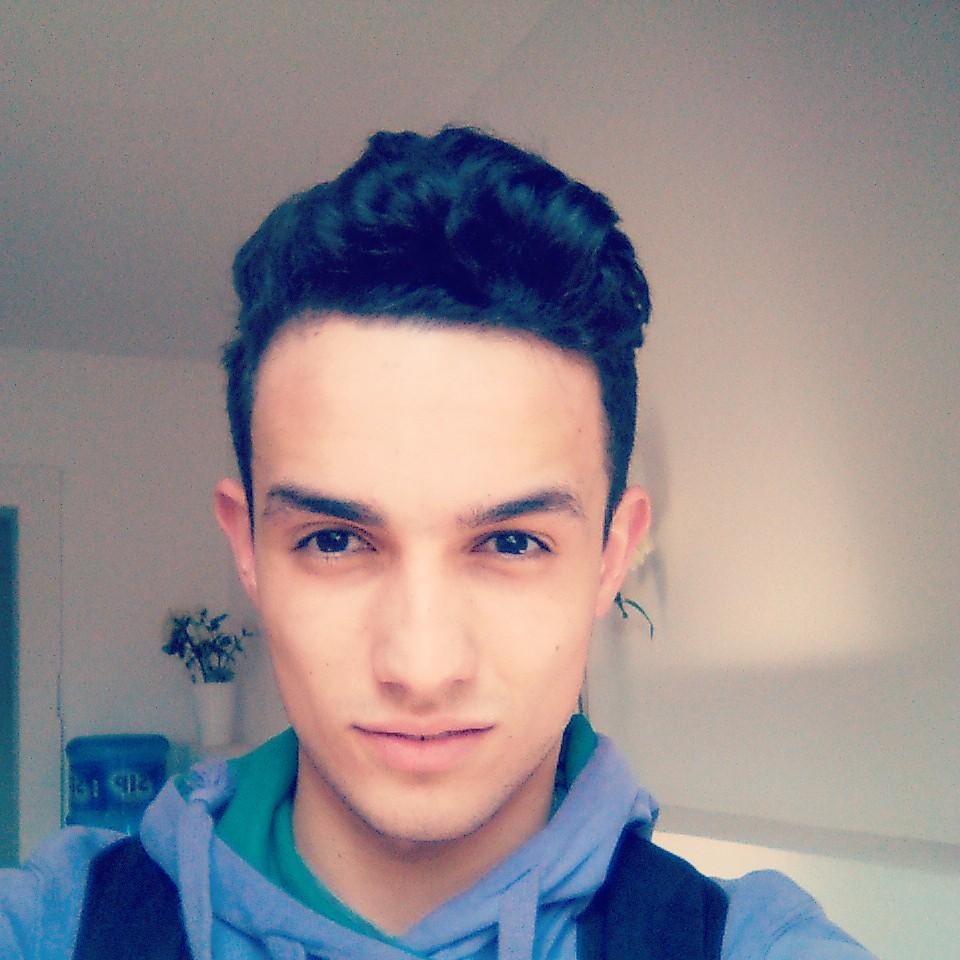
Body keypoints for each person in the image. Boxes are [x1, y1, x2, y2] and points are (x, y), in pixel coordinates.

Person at [0, 127, 874, 959]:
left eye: (514, 544)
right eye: (335, 541)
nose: (421, 668)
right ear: (248, 549)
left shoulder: (743, 941)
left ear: (613, 557)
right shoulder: (59, 927)